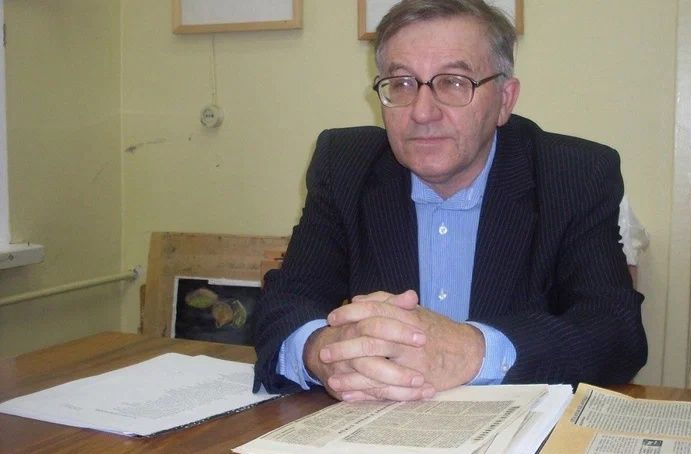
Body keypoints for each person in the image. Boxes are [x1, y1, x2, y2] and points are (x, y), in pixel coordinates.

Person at [253, 0, 647, 402]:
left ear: (505, 100)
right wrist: (323, 351)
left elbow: (615, 332)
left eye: (455, 83)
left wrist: (472, 351)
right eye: (402, 83)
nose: (423, 112)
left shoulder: (574, 174)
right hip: (379, 424)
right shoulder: (344, 166)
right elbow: (285, 304)